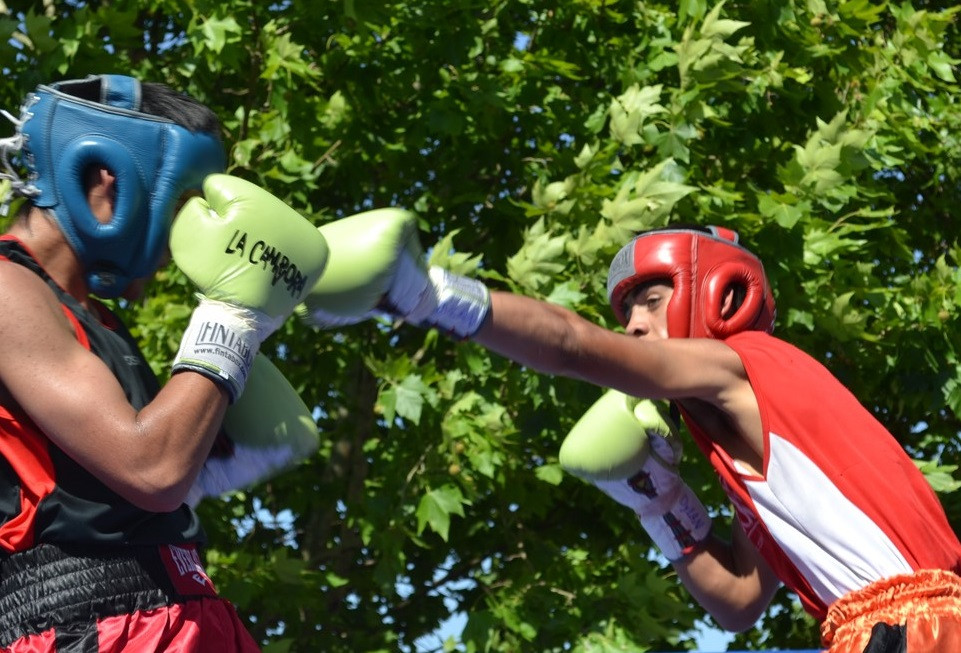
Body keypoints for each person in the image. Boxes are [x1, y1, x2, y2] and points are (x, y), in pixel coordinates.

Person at [300, 213, 961, 652]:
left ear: (721, 296)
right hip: (876, 629)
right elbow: (736, 602)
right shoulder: (756, 443)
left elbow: (570, 343)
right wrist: (658, 500)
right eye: (626, 311)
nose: (634, 325)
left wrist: (423, 294)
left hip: (920, 627)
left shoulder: (748, 364)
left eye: (650, 299)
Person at [0, 74, 328, 651]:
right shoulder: (5, 287)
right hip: (90, 630)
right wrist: (233, 313)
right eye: (179, 199)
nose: (186, 229)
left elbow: (121, 489)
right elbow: (150, 470)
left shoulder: (91, 318)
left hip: (178, 615)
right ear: (105, 176)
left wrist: (217, 461)